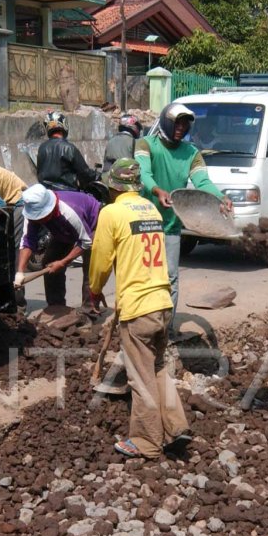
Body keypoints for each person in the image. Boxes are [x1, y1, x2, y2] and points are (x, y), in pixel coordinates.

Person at [89, 158, 190, 459]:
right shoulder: (151, 210)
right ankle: (175, 426)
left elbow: (101, 259)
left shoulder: (112, 212)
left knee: (139, 375)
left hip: (138, 310)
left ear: (113, 187)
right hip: (162, 302)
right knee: (157, 368)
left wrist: (94, 291)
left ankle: (146, 442)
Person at [134, 101, 232, 330]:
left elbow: (203, 182)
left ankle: (165, 329)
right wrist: (157, 191)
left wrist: (220, 197)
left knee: (170, 279)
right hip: (143, 222)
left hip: (170, 224)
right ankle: (139, 325)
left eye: (185, 124)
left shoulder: (191, 153)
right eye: (176, 123)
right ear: (166, 122)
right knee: (143, 277)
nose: (180, 127)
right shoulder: (146, 144)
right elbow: (144, 174)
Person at [17, 184, 101, 315]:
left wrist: (63, 262)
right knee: (50, 260)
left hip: (92, 225)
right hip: (63, 230)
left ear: (49, 210)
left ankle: (89, 311)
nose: (39, 220)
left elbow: (86, 242)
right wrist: (20, 272)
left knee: (91, 269)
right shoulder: (32, 214)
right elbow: (28, 241)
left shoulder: (69, 211)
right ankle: (56, 306)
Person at [36, 111, 98, 191]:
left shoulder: (42, 148)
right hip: (67, 192)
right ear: (64, 125)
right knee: (93, 203)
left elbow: (39, 172)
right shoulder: (69, 148)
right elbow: (84, 172)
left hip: (46, 193)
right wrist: (96, 176)